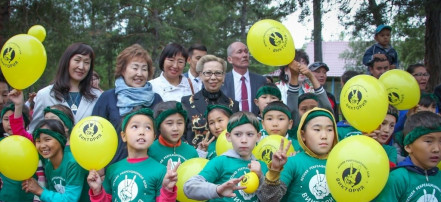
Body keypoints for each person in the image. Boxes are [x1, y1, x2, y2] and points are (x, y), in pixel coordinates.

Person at [87, 108, 178, 201]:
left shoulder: (161, 170)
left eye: (148, 128)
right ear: (123, 136)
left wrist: (167, 190)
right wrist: (97, 191)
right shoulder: (112, 169)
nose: (142, 132)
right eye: (135, 126)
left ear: (154, 137)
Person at [92, 44, 162, 164]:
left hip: (150, 168)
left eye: (144, 69)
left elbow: (161, 135)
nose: (139, 73)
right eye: (135, 68)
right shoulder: (108, 98)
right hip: (114, 166)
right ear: (123, 70)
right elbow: (95, 135)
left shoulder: (156, 100)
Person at [257, 108, 339, 201]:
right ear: (303, 135)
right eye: (317, 129)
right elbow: (268, 198)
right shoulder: (291, 162)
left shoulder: (341, 164)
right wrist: (274, 171)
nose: (324, 136)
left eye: (329, 129)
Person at [184, 111, 267, 201]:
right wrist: (217, 190)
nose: (244, 140)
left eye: (250, 134)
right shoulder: (221, 161)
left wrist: (261, 177)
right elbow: (189, 187)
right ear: (228, 136)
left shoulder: (261, 166)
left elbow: (269, 198)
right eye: (237, 134)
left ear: (258, 137)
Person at [29, 43, 101, 132]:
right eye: (77, 60)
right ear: (67, 61)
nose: (81, 67)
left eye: (86, 62)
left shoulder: (97, 96)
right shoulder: (45, 94)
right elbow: (34, 131)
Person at [375, 111, 441, 201]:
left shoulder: (439, 176)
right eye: (428, 141)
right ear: (408, 147)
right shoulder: (397, 178)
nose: (436, 149)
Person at [22, 119, 89, 201]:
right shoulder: (49, 166)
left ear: (60, 139)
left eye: (47, 139)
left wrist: (40, 190)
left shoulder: (73, 163)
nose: (42, 145)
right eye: (38, 141)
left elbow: (70, 199)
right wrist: (34, 188)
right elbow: (53, 194)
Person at [182, 55, 239, 147]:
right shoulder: (187, 102)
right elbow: (182, 135)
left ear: (223, 76)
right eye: (208, 73)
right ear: (200, 75)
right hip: (195, 158)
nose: (213, 77)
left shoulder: (233, 105)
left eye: (218, 73)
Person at [221, 42, 267, 115]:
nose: (245, 55)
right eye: (239, 52)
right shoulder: (222, 80)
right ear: (230, 59)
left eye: (246, 52)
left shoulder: (261, 80)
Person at [0, 103, 34, 202]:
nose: (10, 123)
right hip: (5, 195)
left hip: (27, 194)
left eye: (14, 119)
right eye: (6, 119)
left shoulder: (31, 142)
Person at [148, 101, 198, 167]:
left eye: (179, 123)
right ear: (159, 126)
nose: (175, 128)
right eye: (169, 123)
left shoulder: (191, 152)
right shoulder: (149, 151)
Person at [286, 60, 333, 126]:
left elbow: (327, 108)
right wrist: (294, 75)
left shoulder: (323, 126)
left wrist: (311, 76)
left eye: (313, 108)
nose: (308, 112)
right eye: (304, 109)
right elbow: (292, 109)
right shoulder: (295, 128)